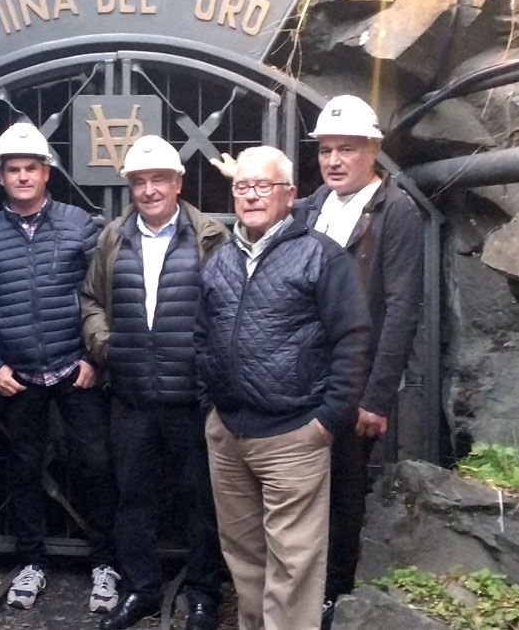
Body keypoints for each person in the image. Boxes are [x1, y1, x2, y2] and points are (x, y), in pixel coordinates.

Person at [214, 96, 424, 625]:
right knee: (301, 502)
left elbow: (400, 309)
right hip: (301, 379)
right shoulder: (310, 207)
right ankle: (293, 602)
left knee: (345, 490)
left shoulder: (394, 210)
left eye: (346, 149)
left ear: (372, 149)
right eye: (326, 150)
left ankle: (333, 595)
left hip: (349, 380)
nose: (334, 160)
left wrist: (373, 396)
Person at [196, 146, 371, 630]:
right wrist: (210, 406)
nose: (251, 196)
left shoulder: (320, 255)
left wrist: (328, 420)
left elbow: (352, 339)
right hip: (229, 434)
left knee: (294, 567)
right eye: (242, 186)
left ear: (290, 195)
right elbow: (201, 333)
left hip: (294, 435)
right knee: (245, 560)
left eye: (263, 186)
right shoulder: (220, 258)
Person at [0, 122, 119, 614]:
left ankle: (105, 562)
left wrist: (94, 357)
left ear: (47, 173)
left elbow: (104, 293)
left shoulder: (78, 224)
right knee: (24, 469)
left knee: (95, 464)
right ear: (1, 175)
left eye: (31, 167)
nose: (23, 176)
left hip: (75, 371)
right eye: (13, 169)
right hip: (19, 376)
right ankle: (30, 561)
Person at [79, 135, 228, 630]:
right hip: (132, 395)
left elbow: (227, 309)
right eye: (139, 182)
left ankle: (204, 595)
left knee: (199, 500)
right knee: (133, 499)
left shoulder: (209, 237)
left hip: (190, 398)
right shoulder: (114, 237)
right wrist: (106, 347)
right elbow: (91, 300)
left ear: (178, 182)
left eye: (158, 179)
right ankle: (141, 588)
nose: (148, 190)